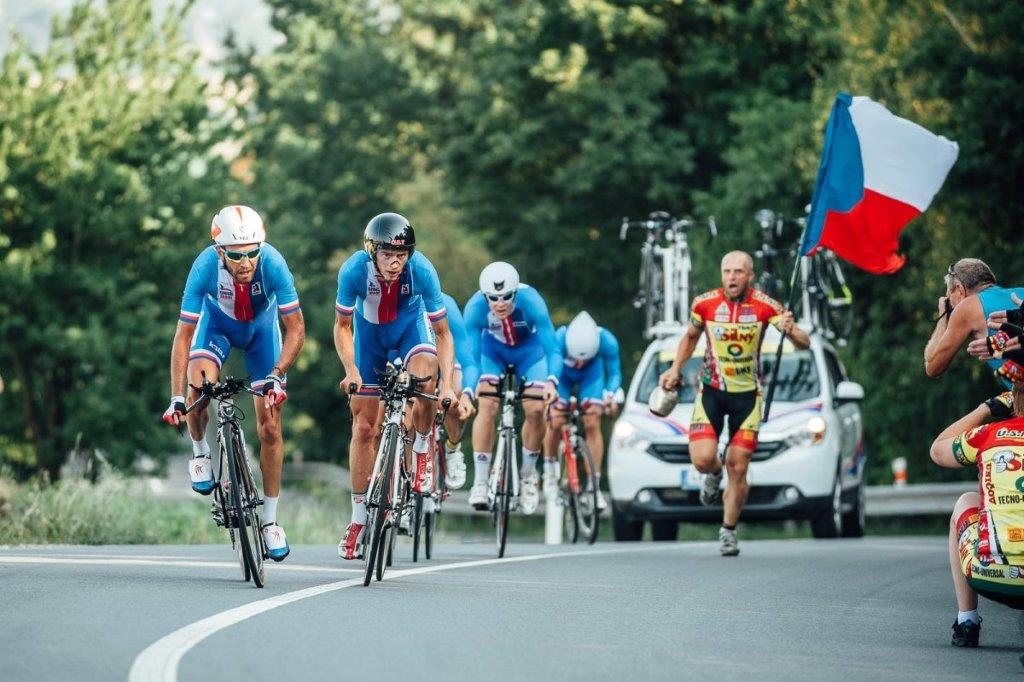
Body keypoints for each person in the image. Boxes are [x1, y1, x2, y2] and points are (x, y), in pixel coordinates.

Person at [162, 205, 305, 562]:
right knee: (199, 386)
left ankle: (270, 522)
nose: (246, 261)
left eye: (253, 251)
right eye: (237, 254)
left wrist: (277, 373)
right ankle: (200, 453)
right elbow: (183, 337)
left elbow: (297, 329)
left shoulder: (273, 263)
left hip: (262, 336)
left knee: (270, 425)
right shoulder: (204, 268)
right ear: (219, 251)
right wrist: (176, 397)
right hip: (218, 329)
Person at [658, 250, 809, 556]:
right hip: (712, 391)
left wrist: (792, 329)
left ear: (749, 276)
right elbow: (689, 337)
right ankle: (714, 475)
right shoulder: (705, 303)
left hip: (748, 398)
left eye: (738, 272)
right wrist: (675, 368)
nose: (731, 277)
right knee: (703, 459)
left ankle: (728, 530)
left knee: (737, 466)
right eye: (727, 271)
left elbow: (803, 343)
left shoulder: (766, 306)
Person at [334, 212, 458, 560]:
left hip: (410, 333)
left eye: (401, 255)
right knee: (364, 428)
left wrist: (447, 386)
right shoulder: (353, 270)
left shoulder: (422, 271)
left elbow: (443, 334)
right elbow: (342, 327)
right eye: (387, 255)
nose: (395, 262)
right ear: (372, 252)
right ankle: (359, 519)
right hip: (369, 339)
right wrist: (351, 369)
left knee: (425, 373)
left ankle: (421, 446)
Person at [929, 384, 1024, 647]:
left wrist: (987, 408)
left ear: (1013, 400)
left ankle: (967, 621)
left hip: (989, 575)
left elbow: (938, 449)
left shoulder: (989, 434)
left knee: (966, 502)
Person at [463, 262, 560, 515]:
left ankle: (528, 476)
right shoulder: (474, 309)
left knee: (536, 410)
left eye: (507, 297)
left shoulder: (533, 302)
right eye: (493, 298)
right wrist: (468, 390)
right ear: (485, 296)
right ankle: (481, 482)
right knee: (487, 404)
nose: (501, 303)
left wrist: (551, 381)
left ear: (516, 292)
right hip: (492, 352)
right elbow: (470, 356)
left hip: (530, 352)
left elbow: (553, 349)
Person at [542, 311, 623, 510]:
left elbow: (614, 373)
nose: (580, 362)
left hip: (591, 376)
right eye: (576, 358)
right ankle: (550, 469)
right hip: (563, 376)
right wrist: (549, 403)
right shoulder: (559, 339)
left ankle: (593, 486)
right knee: (556, 420)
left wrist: (610, 396)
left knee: (592, 421)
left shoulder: (607, 341)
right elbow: (548, 371)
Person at [924, 258, 1024, 383]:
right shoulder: (1021, 293)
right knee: (988, 404)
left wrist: (943, 316)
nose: (951, 305)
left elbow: (933, 367)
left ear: (960, 290)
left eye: (949, 297)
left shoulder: (966, 308)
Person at [439, 292, 479, 488]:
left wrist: (467, 394)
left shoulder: (445, 304)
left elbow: (467, 360)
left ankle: (453, 448)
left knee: (453, 393)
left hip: (446, 358)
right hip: (411, 357)